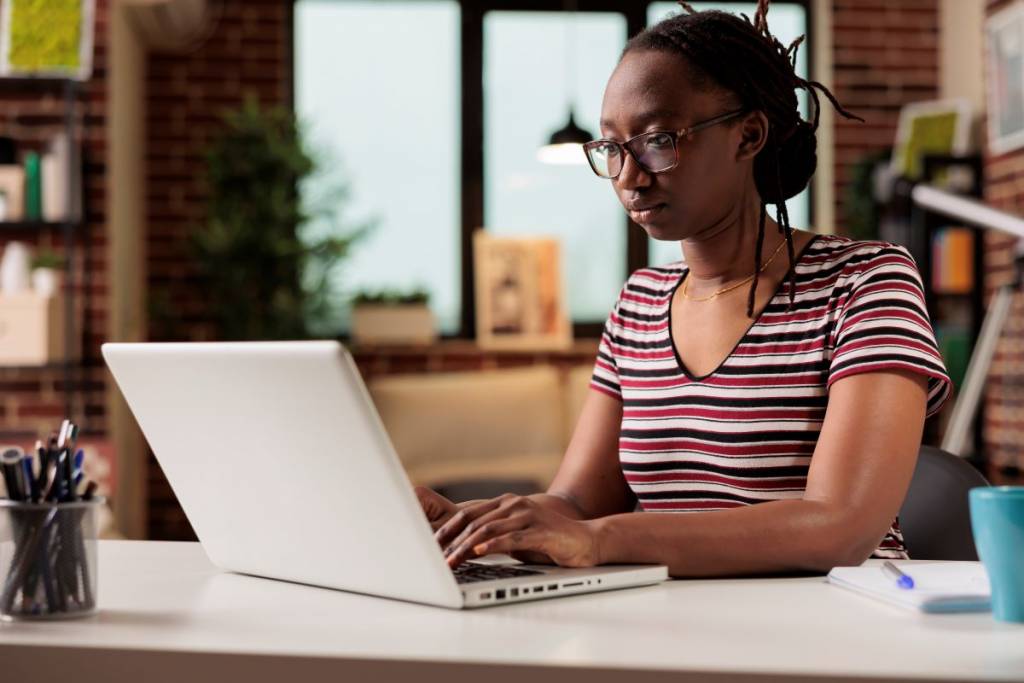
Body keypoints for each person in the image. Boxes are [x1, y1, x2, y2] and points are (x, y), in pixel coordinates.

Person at [417, 0, 951, 577]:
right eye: (612, 148)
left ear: (748, 136)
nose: (628, 176)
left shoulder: (865, 283)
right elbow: (575, 505)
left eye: (657, 139)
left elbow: (837, 527)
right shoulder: (640, 302)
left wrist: (600, 540)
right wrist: (472, 522)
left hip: (848, 632)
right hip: (679, 623)